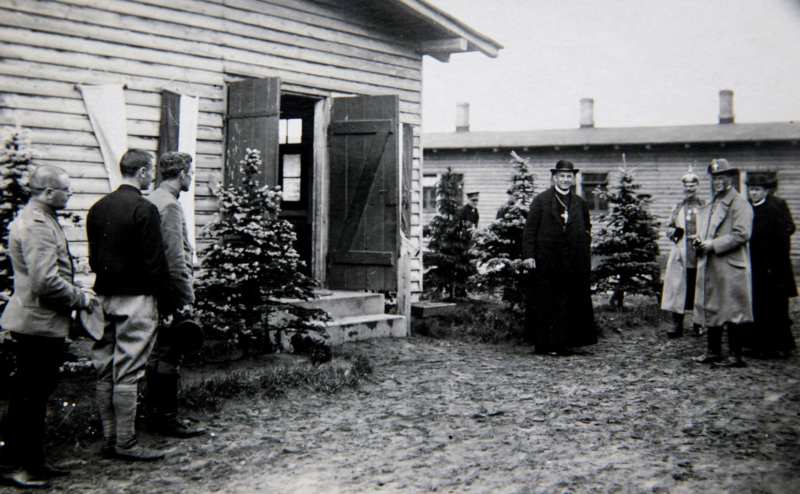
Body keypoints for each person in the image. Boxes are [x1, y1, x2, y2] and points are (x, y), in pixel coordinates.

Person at [0, 166, 98, 489]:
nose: (69, 194)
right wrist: (80, 298)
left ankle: (32, 461)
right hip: (38, 324)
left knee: (31, 395)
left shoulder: (38, 218)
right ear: (47, 192)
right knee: (30, 397)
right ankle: (18, 465)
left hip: (38, 321)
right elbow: (45, 281)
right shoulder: (38, 225)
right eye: (65, 190)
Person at [87, 149, 173, 461]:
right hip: (137, 300)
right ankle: (126, 442)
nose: (152, 177)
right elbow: (156, 263)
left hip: (103, 299)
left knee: (105, 369)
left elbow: (94, 260)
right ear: (141, 172)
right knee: (128, 371)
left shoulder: (97, 208)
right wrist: (167, 303)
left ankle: (110, 439)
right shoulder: (144, 209)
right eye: (150, 171)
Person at [145, 152, 205, 438]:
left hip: (155, 290)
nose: (191, 178)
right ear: (181, 174)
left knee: (157, 354)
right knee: (171, 354)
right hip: (171, 292)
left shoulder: (152, 199)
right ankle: (166, 418)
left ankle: (154, 415)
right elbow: (175, 258)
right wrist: (186, 299)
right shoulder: (169, 206)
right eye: (190, 173)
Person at [522, 160, 596, 355]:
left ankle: (565, 343)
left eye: (568, 176)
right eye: (561, 176)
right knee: (547, 302)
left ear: (573, 179)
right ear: (554, 178)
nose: (565, 179)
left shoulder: (580, 203)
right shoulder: (541, 200)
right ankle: (544, 344)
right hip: (547, 261)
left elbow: (587, 229)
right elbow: (529, 230)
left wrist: (583, 252)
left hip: (573, 262)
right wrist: (529, 255)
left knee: (569, 301)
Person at [693, 158, 754, 367]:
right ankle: (713, 352)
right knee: (712, 307)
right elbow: (706, 230)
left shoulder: (739, 204)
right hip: (712, 263)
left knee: (733, 310)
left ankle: (736, 356)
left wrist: (712, 244)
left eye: (721, 177)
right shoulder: (713, 204)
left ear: (730, 178)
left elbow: (741, 234)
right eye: (714, 178)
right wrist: (699, 241)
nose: (717, 181)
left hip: (731, 265)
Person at [744, 174, 797, 357]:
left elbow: (789, 229)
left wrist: (776, 259)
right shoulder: (747, 208)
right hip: (755, 264)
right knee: (758, 304)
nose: (754, 193)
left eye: (757, 189)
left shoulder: (777, 205)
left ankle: (781, 346)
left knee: (777, 306)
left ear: (766, 190)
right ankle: (758, 345)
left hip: (776, 265)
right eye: (751, 189)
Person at [661, 168, 706, 338]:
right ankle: (677, 324)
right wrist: (674, 232)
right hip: (682, 253)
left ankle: (698, 323)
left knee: (699, 288)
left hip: (699, 253)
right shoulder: (678, 206)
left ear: (698, 186)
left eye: (693, 184)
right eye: (686, 185)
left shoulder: (704, 205)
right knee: (678, 288)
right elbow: (668, 228)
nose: (689, 188)